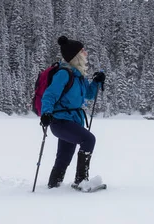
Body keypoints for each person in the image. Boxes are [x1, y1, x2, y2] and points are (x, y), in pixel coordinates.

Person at [40, 35, 106, 189]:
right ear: (75, 56)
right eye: (82, 51)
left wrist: (96, 81)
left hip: (72, 121)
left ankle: (53, 185)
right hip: (60, 121)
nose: (86, 54)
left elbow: (88, 95)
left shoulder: (78, 76)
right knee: (88, 140)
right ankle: (81, 180)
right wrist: (46, 113)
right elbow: (49, 95)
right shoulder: (64, 74)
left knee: (64, 157)